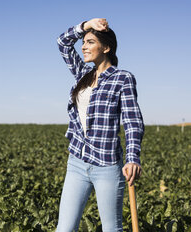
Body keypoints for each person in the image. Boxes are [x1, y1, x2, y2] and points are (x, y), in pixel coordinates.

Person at [55, 18, 145, 232]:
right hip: (77, 161)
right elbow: (62, 43)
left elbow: (132, 121)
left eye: (90, 42)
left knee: (111, 229)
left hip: (106, 165)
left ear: (106, 47)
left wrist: (132, 158)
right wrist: (85, 25)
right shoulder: (83, 74)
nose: (84, 47)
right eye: (83, 42)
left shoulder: (123, 78)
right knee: (64, 229)